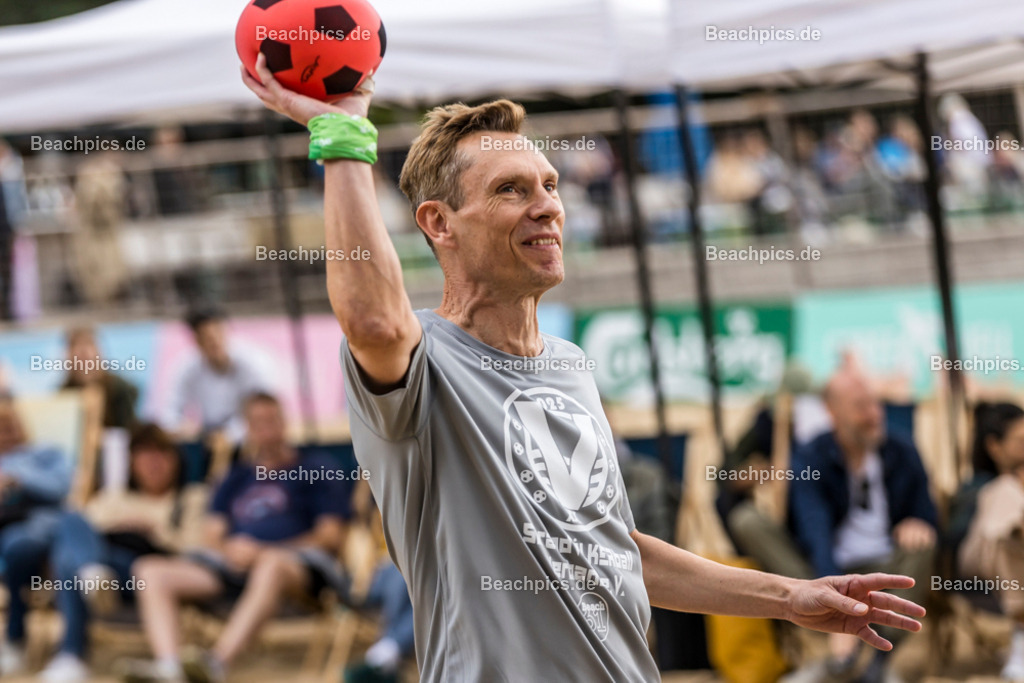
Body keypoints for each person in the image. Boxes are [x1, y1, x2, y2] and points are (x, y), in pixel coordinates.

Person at [241, 55, 927, 682]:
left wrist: (790, 597)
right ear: (439, 223)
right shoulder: (422, 360)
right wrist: (344, 138)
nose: (548, 206)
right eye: (512, 190)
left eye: (550, 184)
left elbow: (615, 547)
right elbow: (375, 321)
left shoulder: (569, 365)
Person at [122, 392, 351, 683]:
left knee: (272, 563)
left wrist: (264, 550)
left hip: (296, 568)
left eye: (272, 419)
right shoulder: (236, 475)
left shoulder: (316, 468)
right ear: (247, 428)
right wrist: (229, 549)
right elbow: (212, 532)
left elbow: (331, 536)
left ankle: (215, 664)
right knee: (150, 570)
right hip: (233, 567)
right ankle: (169, 668)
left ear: (284, 422)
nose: (266, 427)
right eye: (258, 421)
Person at [786, 368, 937, 683]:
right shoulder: (811, 456)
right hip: (826, 561)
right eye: (860, 406)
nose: (874, 415)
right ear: (833, 411)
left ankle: (867, 659)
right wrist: (835, 596)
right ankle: (857, 661)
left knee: (925, 542)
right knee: (748, 521)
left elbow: (928, 512)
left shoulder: (901, 450)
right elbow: (814, 528)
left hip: (885, 560)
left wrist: (918, 523)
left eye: (875, 404)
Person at [39, 423, 207, 683]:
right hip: (107, 567)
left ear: (176, 459)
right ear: (132, 462)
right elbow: (81, 531)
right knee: (70, 524)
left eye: (161, 454)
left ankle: (70, 654)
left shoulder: (192, 498)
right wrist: (114, 528)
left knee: (70, 563)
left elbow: (198, 551)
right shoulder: (113, 496)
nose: (153, 463)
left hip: (149, 572)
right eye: (144, 455)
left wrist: (154, 531)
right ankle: (92, 573)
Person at [950, 402, 1024, 682]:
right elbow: (954, 539)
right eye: (1020, 441)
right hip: (975, 565)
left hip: (1012, 564)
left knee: (1012, 542)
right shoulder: (979, 486)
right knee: (1004, 497)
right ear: (993, 445)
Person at [0, 396, 73, 676]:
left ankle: (18, 637)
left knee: (22, 546)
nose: (8, 432)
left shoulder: (45, 454)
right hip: (9, 531)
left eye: (11, 425)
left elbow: (60, 488)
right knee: (16, 546)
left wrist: (16, 475)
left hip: (46, 528)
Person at [164, 309, 270, 445]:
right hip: (207, 436)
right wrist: (179, 427)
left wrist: (228, 435)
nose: (214, 343)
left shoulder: (252, 363)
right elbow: (170, 409)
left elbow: (262, 411)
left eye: (218, 334)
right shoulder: (186, 367)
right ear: (197, 340)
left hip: (246, 438)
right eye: (206, 338)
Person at [61, 326, 139, 430]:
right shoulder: (64, 393)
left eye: (88, 344)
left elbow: (128, 430)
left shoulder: (119, 388)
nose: (82, 351)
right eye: (75, 345)